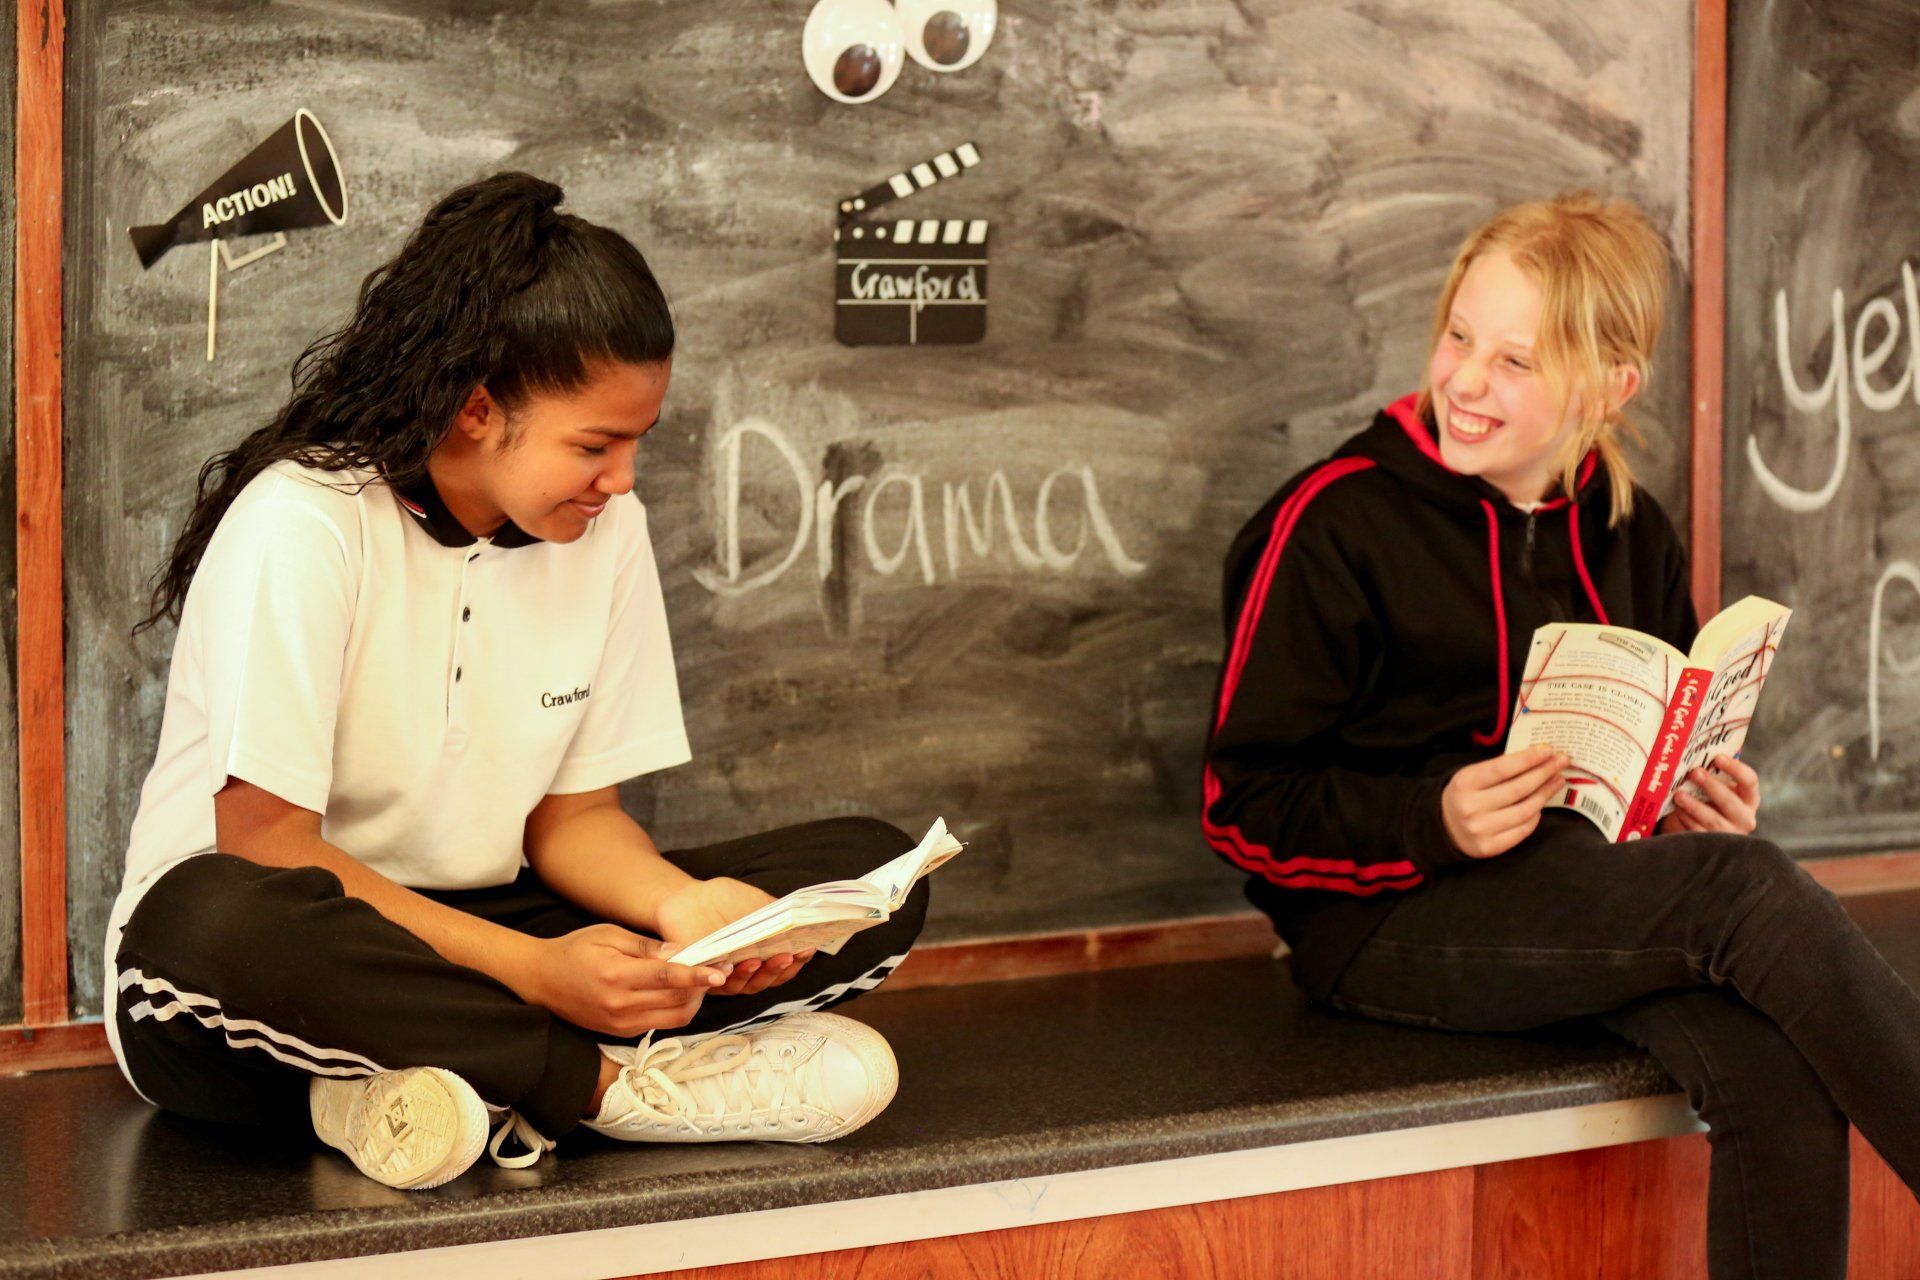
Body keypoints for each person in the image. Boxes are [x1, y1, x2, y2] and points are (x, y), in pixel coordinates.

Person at [105, 172, 927, 1191]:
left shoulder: (603, 531)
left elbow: (572, 821)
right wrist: (539, 974)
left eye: (636, 441)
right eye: (594, 443)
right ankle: (602, 1089)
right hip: (275, 959)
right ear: (476, 408)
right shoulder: (303, 522)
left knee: (867, 875)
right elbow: (270, 849)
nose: (622, 479)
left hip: (488, 929)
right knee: (209, 919)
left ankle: (410, 1092)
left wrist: (690, 909)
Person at [1204, 193, 1920, 1279]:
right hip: (1382, 917)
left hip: (1576, 894)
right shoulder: (1335, 521)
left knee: (1772, 1060)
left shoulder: (1631, 523)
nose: (1465, 380)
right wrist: (1428, 815)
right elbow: (1241, 803)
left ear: (1609, 386)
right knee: (1748, 890)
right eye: (1459, 336)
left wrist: (1693, 799)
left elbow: (1653, 750)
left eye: (1516, 361)